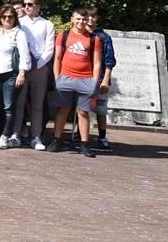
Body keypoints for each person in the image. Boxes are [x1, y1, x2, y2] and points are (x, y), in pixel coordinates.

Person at [47, 8, 103, 157]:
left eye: (84, 19)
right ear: (72, 19)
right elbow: (57, 58)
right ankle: (57, 140)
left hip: (85, 79)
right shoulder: (63, 35)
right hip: (65, 78)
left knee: (83, 112)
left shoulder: (94, 39)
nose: (81, 22)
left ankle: (84, 144)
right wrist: (57, 78)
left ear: (87, 21)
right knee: (63, 110)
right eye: (78, 19)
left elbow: (97, 63)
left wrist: (94, 82)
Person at [0, 5, 31, 150]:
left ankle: (5, 135)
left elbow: (25, 55)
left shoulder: (19, 34)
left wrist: (22, 73)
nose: (7, 19)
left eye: (10, 16)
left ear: (14, 18)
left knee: (9, 107)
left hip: (10, 74)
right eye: (4, 16)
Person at [14, 0, 56, 150]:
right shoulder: (18, 22)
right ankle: (15, 134)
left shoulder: (47, 24)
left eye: (30, 4)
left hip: (39, 66)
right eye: (25, 4)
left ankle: (36, 136)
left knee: (38, 104)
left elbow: (49, 48)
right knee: (19, 103)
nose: (26, 7)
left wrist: (38, 64)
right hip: (21, 67)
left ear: (38, 6)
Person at [86, 8, 116, 151]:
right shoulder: (80, 34)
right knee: (81, 108)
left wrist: (106, 80)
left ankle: (102, 136)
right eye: (87, 16)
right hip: (82, 77)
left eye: (93, 16)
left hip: (100, 77)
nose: (90, 19)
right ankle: (80, 134)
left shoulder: (104, 37)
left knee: (100, 109)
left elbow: (110, 60)